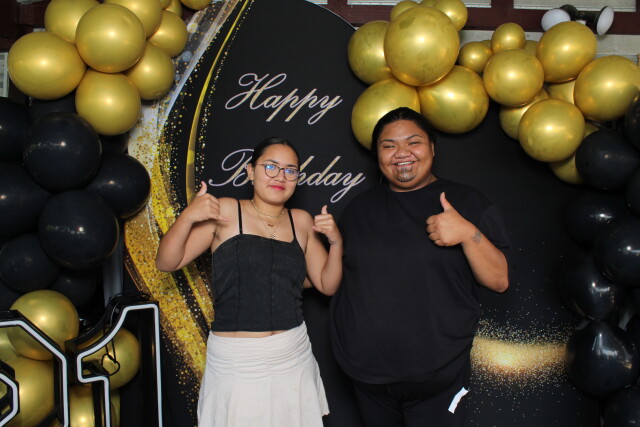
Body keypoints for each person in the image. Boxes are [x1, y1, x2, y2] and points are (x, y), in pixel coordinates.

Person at [330, 107, 510, 427]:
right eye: (389, 145)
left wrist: (468, 233)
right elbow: (337, 277)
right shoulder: (357, 209)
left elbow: (499, 280)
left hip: (437, 379)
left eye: (413, 142)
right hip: (368, 378)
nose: (402, 153)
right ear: (377, 155)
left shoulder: (468, 202)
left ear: (432, 148)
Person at [155, 137, 343, 427]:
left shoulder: (301, 221)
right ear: (251, 171)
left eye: (290, 170)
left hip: (292, 353)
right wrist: (188, 216)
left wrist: (336, 242)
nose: (280, 176)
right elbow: (167, 262)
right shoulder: (226, 211)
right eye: (271, 167)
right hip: (237, 360)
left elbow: (327, 285)